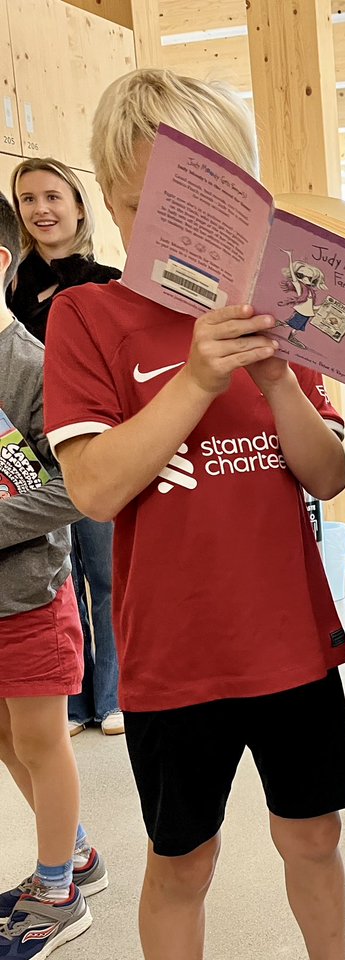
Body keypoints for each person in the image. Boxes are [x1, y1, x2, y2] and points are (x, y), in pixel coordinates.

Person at [43, 68, 345, 960]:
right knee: (182, 859)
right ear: (121, 191)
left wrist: (286, 375)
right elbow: (97, 489)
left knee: (313, 836)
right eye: (165, 180)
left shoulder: (277, 307)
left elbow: (329, 477)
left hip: (288, 641)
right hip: (174, 656)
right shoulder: (88, 317)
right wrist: (195, 381)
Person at [0, 191, 107, 960]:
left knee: (42, 739)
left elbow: (78, 484)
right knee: (6, 737)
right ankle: (71, 854)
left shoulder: (31, 365)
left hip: (31, 596)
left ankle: (58, 895)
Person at [8, 157, 123, 737]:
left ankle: (112, 697)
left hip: (95, 442)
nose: (41, 209)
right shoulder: (9, 289)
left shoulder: (109, 282)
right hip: (28, 449)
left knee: (105, 575)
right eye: (28, 199)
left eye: (53, 196)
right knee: (55, 575)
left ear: (80, 205)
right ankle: (72, 700)